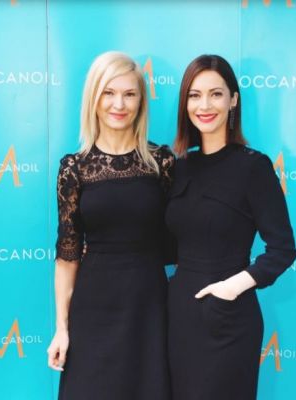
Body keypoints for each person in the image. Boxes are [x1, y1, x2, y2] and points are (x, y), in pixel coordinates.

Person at [166, 54, 296, 400]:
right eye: (195, 95)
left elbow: (283, 249)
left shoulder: (253, 167)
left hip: (229, 320)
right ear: (185, 104)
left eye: (216, 94)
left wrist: (232, 287)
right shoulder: (179, 167)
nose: (204, 105)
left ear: (233, 100)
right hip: (178, 317)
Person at [47, 51, 173, 400]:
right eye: (109, 92)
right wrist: (62, 329)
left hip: (149, 307)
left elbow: (182, 236)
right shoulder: (74, 168)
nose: (119, 104)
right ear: (94, 97)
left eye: (129, 94)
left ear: (141, 101)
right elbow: (67, 256)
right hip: (93, 307)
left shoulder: (161, 162)